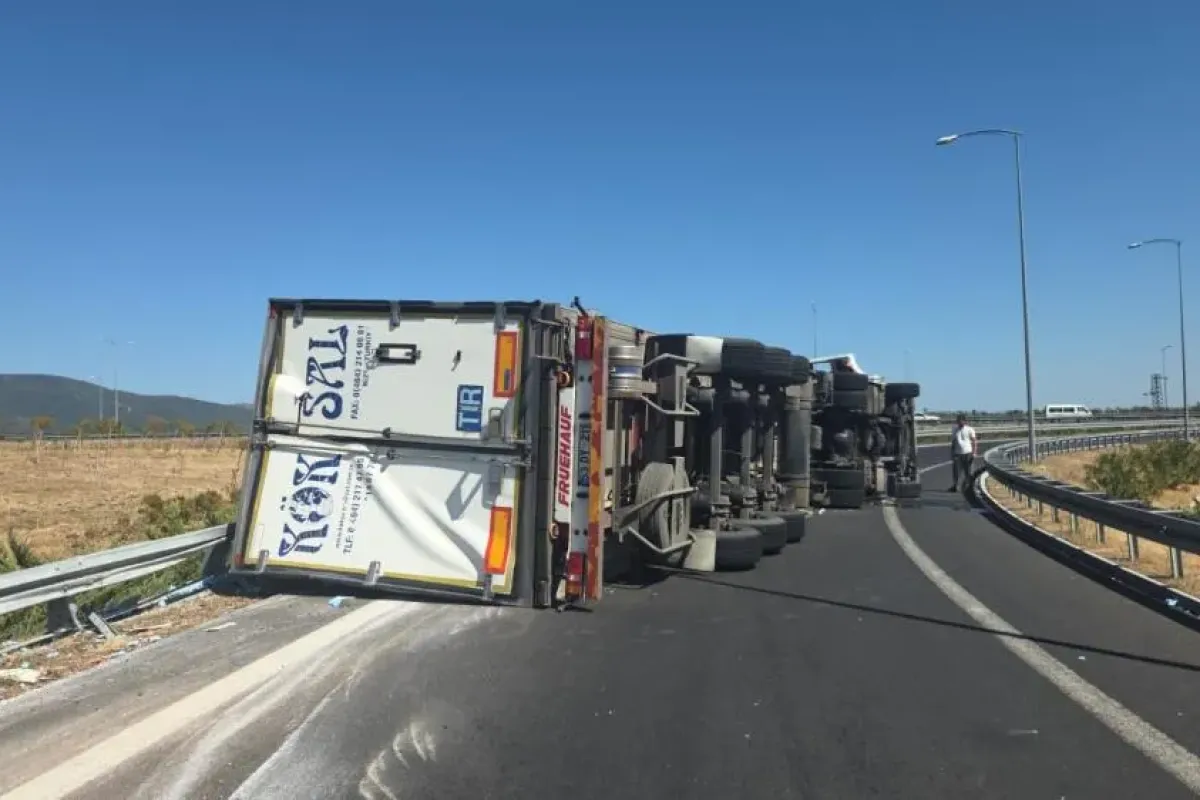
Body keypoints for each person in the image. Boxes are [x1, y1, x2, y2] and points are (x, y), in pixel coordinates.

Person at [949, 413, 978, 492]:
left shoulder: (969, 429)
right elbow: (953, 441)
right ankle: (955, 486)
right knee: (956, 471)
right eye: (958, 421)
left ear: (965, 421)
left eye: (961, 421)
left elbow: (974, 441)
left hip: (967, 453)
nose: (959, 423)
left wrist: (974, 452)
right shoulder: (954, 429)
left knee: (968, 471)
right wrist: (952, 453)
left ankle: (969, 487)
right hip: (957, 453)